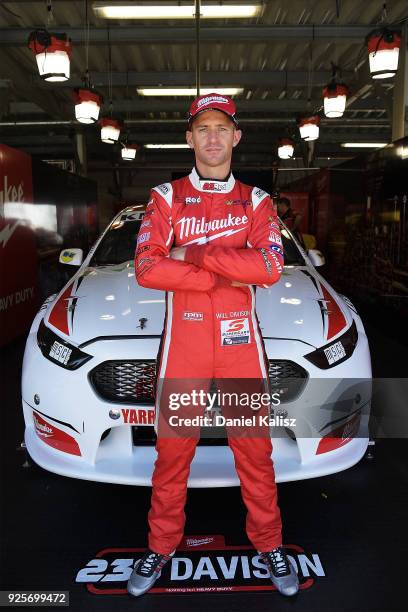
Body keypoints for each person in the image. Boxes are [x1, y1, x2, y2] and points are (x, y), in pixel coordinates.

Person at [128, 93, 299, 598]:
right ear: (189, 138)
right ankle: (160, 548)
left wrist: (194, 253)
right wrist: (218, 273)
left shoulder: (258, 201)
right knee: (172, 455)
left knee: (255, 452)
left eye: (222, 127)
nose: (213, 137)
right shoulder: (165, 197)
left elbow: (268, 267)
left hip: (240, 345)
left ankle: (270, 545)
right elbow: (146, 268)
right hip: (185, 345)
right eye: (203, 128)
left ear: (236, 136)